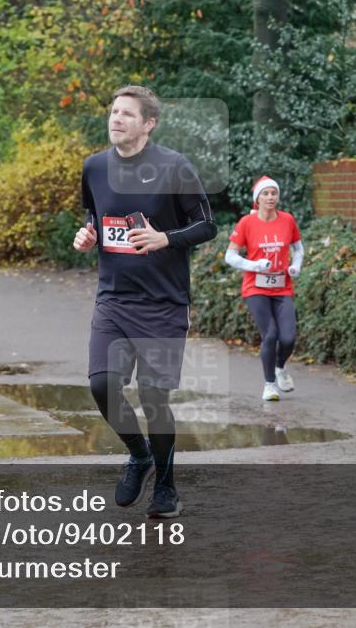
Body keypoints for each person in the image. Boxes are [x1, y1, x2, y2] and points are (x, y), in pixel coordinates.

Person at [73, 85, 216, 518]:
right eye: (113, 111)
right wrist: (87, 235)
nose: (116, 119)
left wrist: (164, 239)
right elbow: (93, 216)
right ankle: (139, 455)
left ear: (148, 124)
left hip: (164, 303)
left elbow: (207, 224)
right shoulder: (95, 167)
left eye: (127, 114)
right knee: (103, 384)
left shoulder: (174, 167)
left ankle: (167, 488)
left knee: (154, 399)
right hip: (114, 299)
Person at [225, 176, 303, 401]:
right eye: (265, 193)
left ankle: (280, 367)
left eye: (274, 193)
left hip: (282, 287)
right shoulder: (246, 223)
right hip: (255, 288)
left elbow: (298, 249)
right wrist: (255, 265)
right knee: (270, 334)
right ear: (257, 199)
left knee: (288, 337)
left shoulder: (287, 220)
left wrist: (296, 266)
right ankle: (269, 385)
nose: (270, 197)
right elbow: (230, 256)